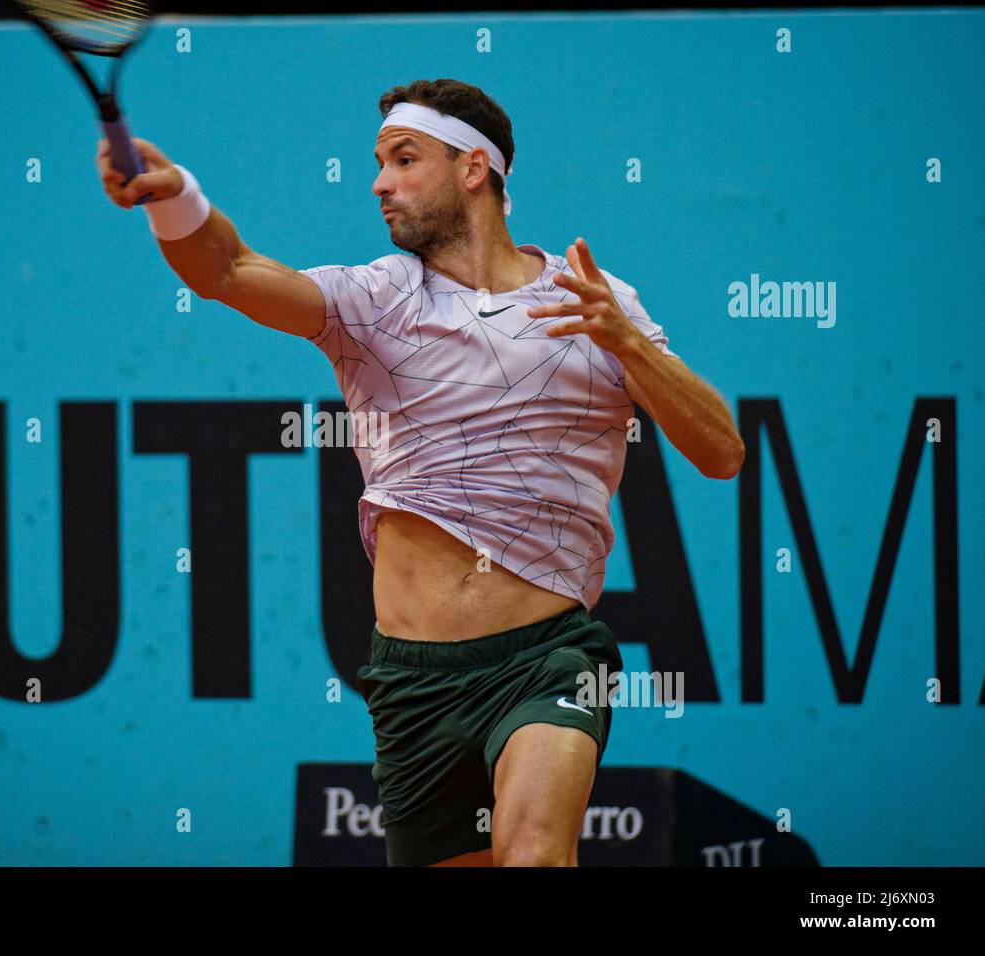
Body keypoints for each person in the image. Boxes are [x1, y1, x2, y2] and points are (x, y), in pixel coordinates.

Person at [96, 78, 744, 867]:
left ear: (474, 169)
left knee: (536, 855)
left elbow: (723, 453)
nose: (378, 183)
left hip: (549, 658)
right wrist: (177, 199)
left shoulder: (594, 303)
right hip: (413, 683)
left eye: (403, 160)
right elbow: (226, 269)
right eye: (378, 162)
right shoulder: (373, 303)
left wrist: (629, 343)